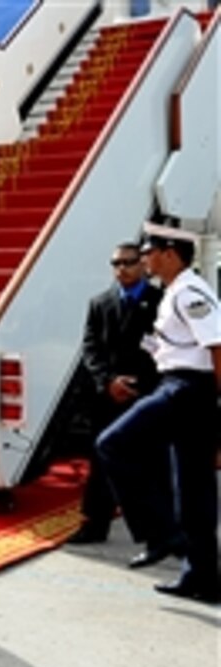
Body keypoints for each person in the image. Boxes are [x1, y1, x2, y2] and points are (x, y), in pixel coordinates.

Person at [97, 221, 221, 603]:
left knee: (112, 444)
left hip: (186, 388)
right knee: (192, 487)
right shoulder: (176, 292)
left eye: (150, 252)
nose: (145, 259)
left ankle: (161, 535)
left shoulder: (189, 292)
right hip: (184, 386)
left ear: (170, 254)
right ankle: (202, 577)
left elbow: (217, 347)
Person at [67, 242, 172, 556]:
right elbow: (90, 348)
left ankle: (163, 532)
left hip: (148, 393)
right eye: (116, 263)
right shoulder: (100, 303)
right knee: (101, 461)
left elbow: (168, 346)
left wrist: (145, 384)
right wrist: (108, 381)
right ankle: (95, 523)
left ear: (142, 264)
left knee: (154, 463)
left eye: (128, 262)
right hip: (109, 395)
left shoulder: (162, 301)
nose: (121, 269)